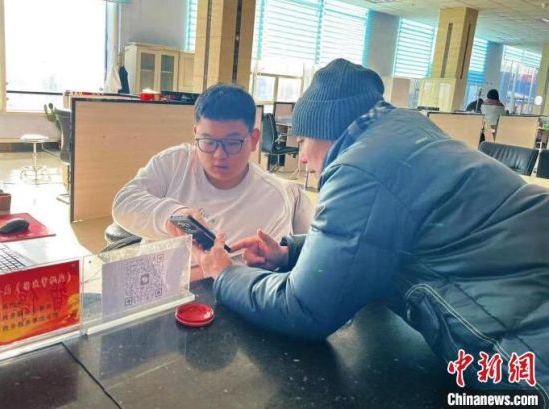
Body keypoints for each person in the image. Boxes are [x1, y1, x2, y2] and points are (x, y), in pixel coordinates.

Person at [197, 59, 549, 395]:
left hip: (528, 352)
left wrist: (226, 274)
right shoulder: (406, 129)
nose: (301, 156)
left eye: (302, 141)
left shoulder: (360, 168)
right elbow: (380, 231)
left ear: (327, 129)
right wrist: (290, 252)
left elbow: (305, 308)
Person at [112, 83, 313, 248]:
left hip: (223, 284)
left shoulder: (272, 199)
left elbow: (267, 273)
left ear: (253, 140)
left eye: (232, 143)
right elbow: (124, 203)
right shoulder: (174, 162)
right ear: (195, 134)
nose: (219, 155)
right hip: (155, 279)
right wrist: (172, 215)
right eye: (208, 142)